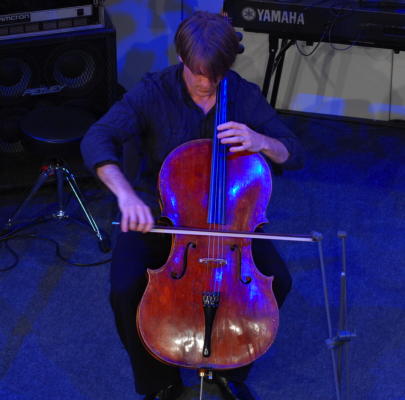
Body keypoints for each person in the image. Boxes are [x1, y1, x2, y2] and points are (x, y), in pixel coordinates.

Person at [81, 10, 303, 400]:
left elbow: (295, 152)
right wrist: (126, 195)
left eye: (214, 75)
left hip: (233, 225)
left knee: (278, 283)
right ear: (182, 59)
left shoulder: (242, 95)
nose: (205, 84)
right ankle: (159, 383)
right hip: (159, 216)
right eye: (198, 73)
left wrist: (262, 141)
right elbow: (97, 138)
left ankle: (229, 368)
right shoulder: (154, 91)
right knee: (125, 288)